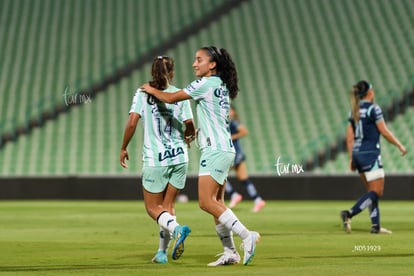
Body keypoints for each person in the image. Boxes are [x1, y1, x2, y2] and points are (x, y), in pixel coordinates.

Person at [141, 46, 260, 266]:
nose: (195, 64)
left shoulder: (204, 83)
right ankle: (231, 252)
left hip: (214, 150)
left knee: (206, 202)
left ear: (212, 64)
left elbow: (171, 98)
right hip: (225, 148)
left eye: (199, 60)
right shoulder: (221, 85)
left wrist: (150, 89)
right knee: (218, 204)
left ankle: (246, 235)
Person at [120, 56, 195, 264]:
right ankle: (161, 253)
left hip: (156, 159)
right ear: (171, 73)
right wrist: (189, 135)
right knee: (167, 207)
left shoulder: (143, 93)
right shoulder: (180, 94)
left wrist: (123, 147)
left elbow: (133, 122)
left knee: (153, 209)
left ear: (153, 72)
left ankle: (178, 229)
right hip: (179, 157)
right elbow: (189, 123)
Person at [340, 80, 407, 234]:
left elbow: (350, 138)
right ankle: (349, 214)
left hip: (358, 155)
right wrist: (399, 145)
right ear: (370, 92)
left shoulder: (354, 111)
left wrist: (351, 158)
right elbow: (383, 131)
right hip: (370, 154)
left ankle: (375, 226)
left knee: (371, 191)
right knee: (377, 192)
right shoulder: (373, 109)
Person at [226, 105, 266, 212]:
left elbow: (244, 132)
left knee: (220, 174)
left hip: (236, 154)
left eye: (230, 110)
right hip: (237, 154)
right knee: (243, 179)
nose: (228, 112)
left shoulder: (233, 123)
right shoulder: (228, 123)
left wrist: (230, 138)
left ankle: (233, 195)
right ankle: (258, 199)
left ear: (234, 112)